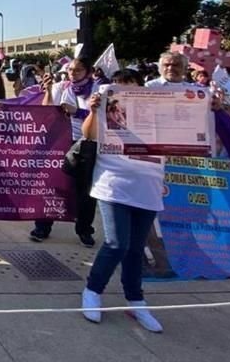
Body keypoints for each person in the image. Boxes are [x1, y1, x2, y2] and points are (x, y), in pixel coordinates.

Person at [79, 68, 165, 333]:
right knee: (117, 243)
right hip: (113, 184)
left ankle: (135, 299)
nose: (124, 91)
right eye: (117, 86)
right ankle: (93, 290)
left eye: (129, 85)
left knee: (136, 248)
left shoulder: (159, 111)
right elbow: (89, 135)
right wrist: (94, 111)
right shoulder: (106, 107)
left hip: (148, 186)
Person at [30, 57, 97, 247]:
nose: (73, 74)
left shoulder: (97, 89)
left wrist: (76, 111)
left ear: (88, 72)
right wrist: (49, 90)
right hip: (60, 141)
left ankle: (84, 229)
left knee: (85, 190)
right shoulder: (62, 86)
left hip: (86, 142)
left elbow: (101, 116)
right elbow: (47, 109)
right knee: (52, 184)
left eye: (78, 70)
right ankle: (42, 225)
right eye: (70, 70)